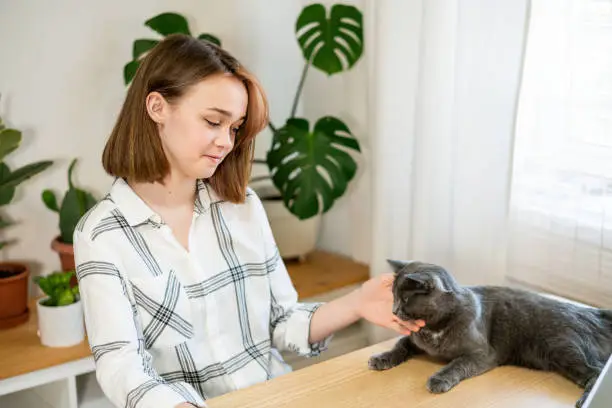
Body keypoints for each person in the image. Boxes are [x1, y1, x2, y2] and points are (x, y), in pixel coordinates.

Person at [73, 33, 425, 408]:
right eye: (213, 121)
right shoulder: (102, 235)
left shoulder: (242, 206)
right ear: (158, 107)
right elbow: (121, 364)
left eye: (234, 128)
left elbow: (281, 320)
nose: (226, 141)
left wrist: (355, 303)